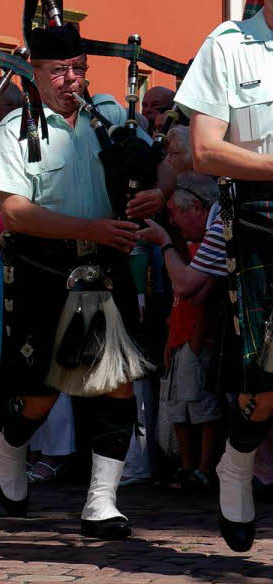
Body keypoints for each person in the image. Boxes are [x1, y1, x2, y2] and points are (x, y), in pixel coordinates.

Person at [0, 20, 173, 540]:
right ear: (35, 73)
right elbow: (15, 212)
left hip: (105, 264)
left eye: (78, 69)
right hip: (45, 269)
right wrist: (88, 226)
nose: (70, 79)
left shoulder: (108, 122)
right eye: (58, 70)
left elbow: (158, 172)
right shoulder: (15, 128)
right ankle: (11, 444)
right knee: (40, 394)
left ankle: (102, 502)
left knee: (116, 385)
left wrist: (155, 195)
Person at [173, 0, 273, 550]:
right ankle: (236, 459)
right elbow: (206, 151)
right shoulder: (228, 45)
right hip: (260, 222)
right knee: (261, 389)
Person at [139, 174, 223, 490]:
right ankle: (188, 467)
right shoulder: (192, 243)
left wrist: (165, 243)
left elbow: (190, 291)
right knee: (179, 407)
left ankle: (204, 468)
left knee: (202, 407)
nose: (173, 221)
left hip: (195, 341)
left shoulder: (208, 239)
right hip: (178, 340)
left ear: (198, 208)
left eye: (175, 213)